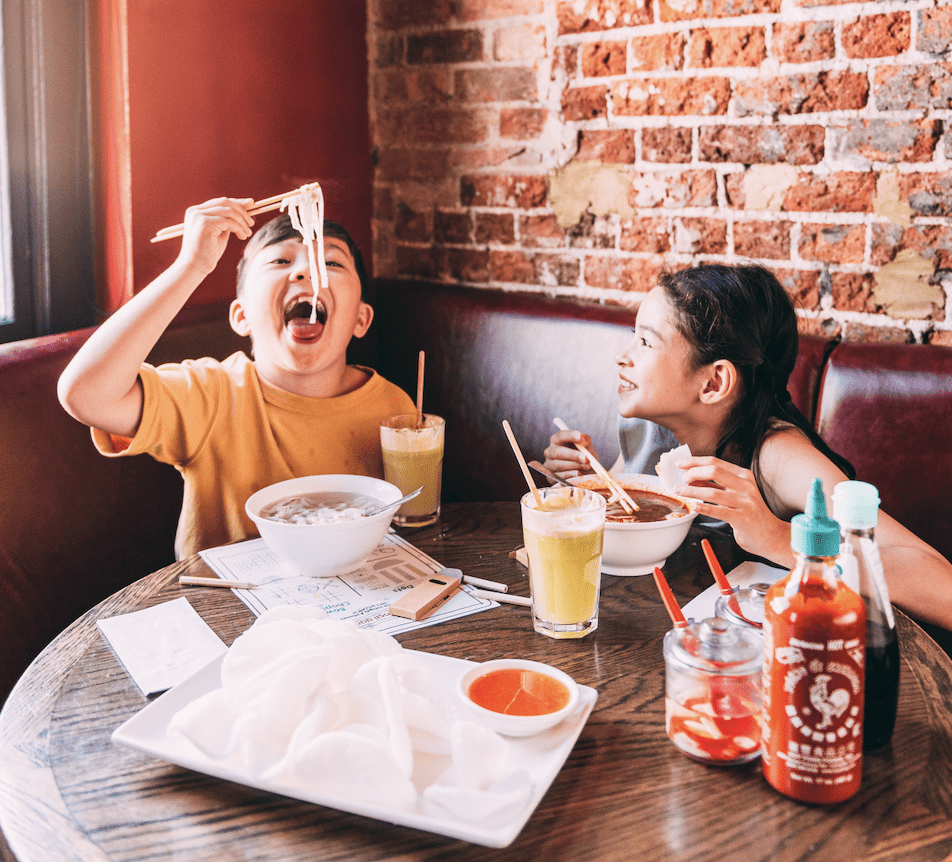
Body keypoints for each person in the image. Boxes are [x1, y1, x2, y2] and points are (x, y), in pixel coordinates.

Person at [543, 263, 952, 630]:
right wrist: (588, 482)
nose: (622, 357)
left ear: (713, 383)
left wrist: (777, 537)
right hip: (658, 627)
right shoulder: (648, 425)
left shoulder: (779, 457)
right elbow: (632, 522)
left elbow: (942, 586)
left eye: (646, 343)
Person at [58, 197, 414, 559]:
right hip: (231, 607)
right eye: (280, 261)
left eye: (331, 262)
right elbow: (87, 395)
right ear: (241, 316)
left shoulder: (395, 408)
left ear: (360, 319)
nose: (306, 272)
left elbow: (408, 529)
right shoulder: (211, 394)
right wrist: (191, 266)